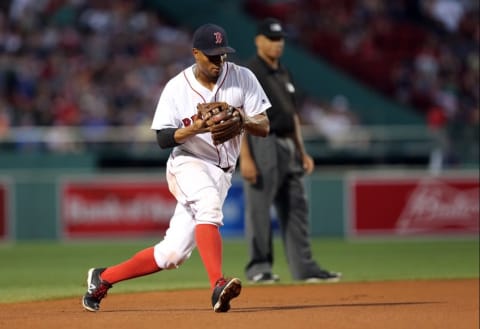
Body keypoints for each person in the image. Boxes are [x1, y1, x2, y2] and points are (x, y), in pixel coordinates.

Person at [81, 23, 270, 313]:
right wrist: (193, 129)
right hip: (187, 161)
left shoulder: (243, 78)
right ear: (196, 53)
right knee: (208, 205)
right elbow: (162, 138)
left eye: (223, 55)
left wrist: (243, 119)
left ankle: (102, 279)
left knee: (172, 255)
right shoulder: (177, 88)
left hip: (222, 171)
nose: (219, 61)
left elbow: (264, 125)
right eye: (211, 56)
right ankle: (217, 285)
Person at [240, 17, 341, 283]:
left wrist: (302, 150)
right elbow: (238, 115)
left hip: (287, 142)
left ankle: (304, 268)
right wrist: (246, 158)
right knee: (259, 208)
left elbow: (293, 115)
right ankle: (259, 268)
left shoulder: (284, 72)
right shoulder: (249, 72)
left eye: (280, 38)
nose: (277, 43)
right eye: (272, 38)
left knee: (297, 206)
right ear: (258, 40)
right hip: (262, 141)